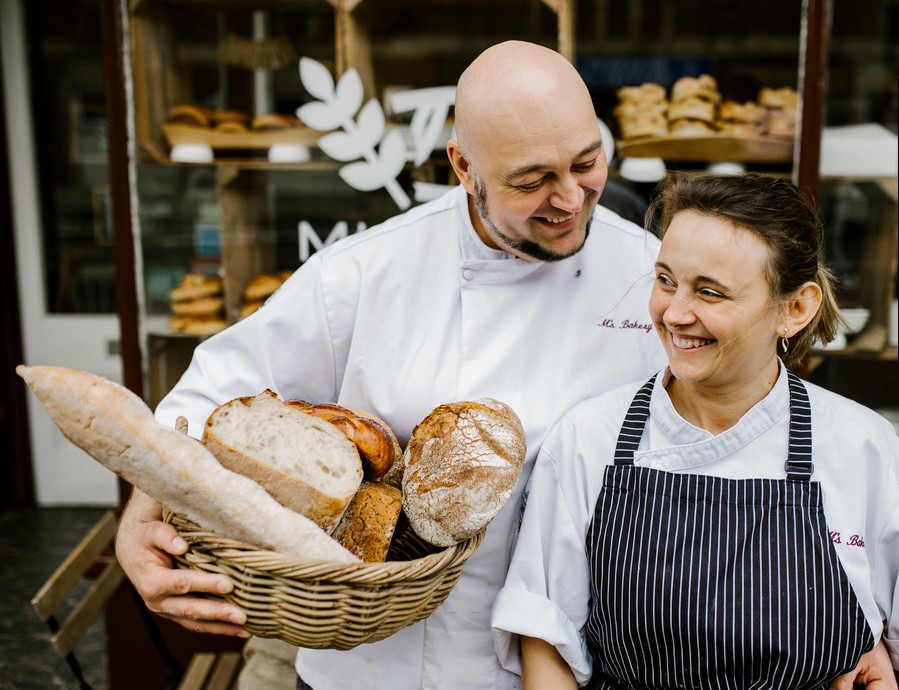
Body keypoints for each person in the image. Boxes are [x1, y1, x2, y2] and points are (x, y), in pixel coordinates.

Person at [116, 40, 669, 690]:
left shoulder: (652, 275)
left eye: (586, 162)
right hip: (382, 665)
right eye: (531, 181)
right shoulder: (362, 274)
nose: (571, 199)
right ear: (463, 166)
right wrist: (137, 524)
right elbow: (203, 404)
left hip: (573, 664)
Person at [491, 173, 899, 689]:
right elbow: (547, 637)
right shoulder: (589, 440)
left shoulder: (865, 449)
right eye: (665, 280)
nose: (674, 313)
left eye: (710, 292)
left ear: (795, 309)